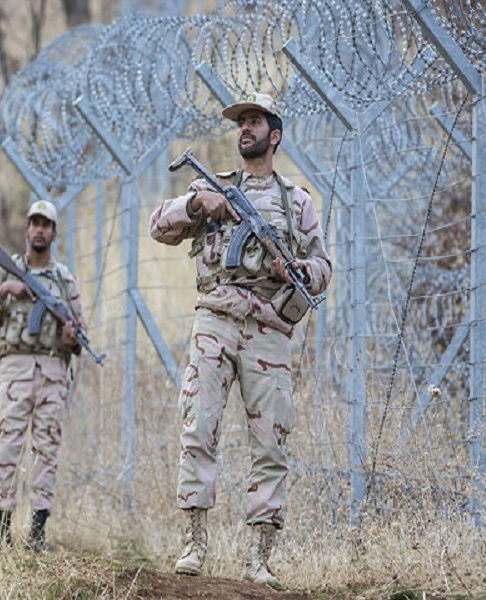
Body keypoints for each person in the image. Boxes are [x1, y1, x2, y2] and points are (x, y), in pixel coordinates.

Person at [149, 92, 332, 587]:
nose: (244, 128)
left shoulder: (297, 203)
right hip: (215, 319)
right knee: (198, 428)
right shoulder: (215, 189)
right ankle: (193, 545)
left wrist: (297, 269)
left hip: (269, 328)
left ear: (274, 135)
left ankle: (259, 558)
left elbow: (323, 268)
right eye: (240, 122)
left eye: (255, 121)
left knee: (270, 442)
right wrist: (195, 203)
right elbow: (158, 227)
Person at [0, 200, 86, 552]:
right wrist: (5, 292)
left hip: (53, 370)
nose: (40, 229)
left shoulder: (63, 279)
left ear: (54, 233)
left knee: (47, 449)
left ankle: (38, 531)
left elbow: (81, 336)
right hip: (15, 369)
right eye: (34, 223)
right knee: (8, 448)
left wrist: (72, 337)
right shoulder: (5, 273)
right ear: (27, 229)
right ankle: (2, 529)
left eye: (46, 224)